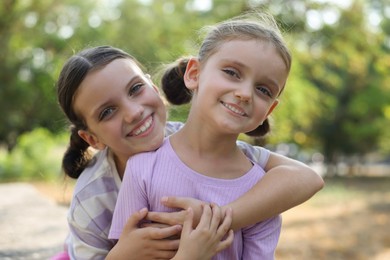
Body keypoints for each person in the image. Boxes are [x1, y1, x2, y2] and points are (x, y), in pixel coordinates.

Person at [55, 43, 323, 259]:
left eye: (136, 89)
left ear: (153, 88)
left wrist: (216, 220)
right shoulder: (91, 199)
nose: (134, 112)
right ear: (92, 138)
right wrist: (123, 255)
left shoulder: (195, 143)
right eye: (107, 111)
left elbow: (307, 178)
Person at [109, 12, 317, 259]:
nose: (245, 93)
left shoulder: (261, 192)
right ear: (194, 74)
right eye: (232, 72)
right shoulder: (143, 168)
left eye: (263, 89)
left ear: (269, 110)